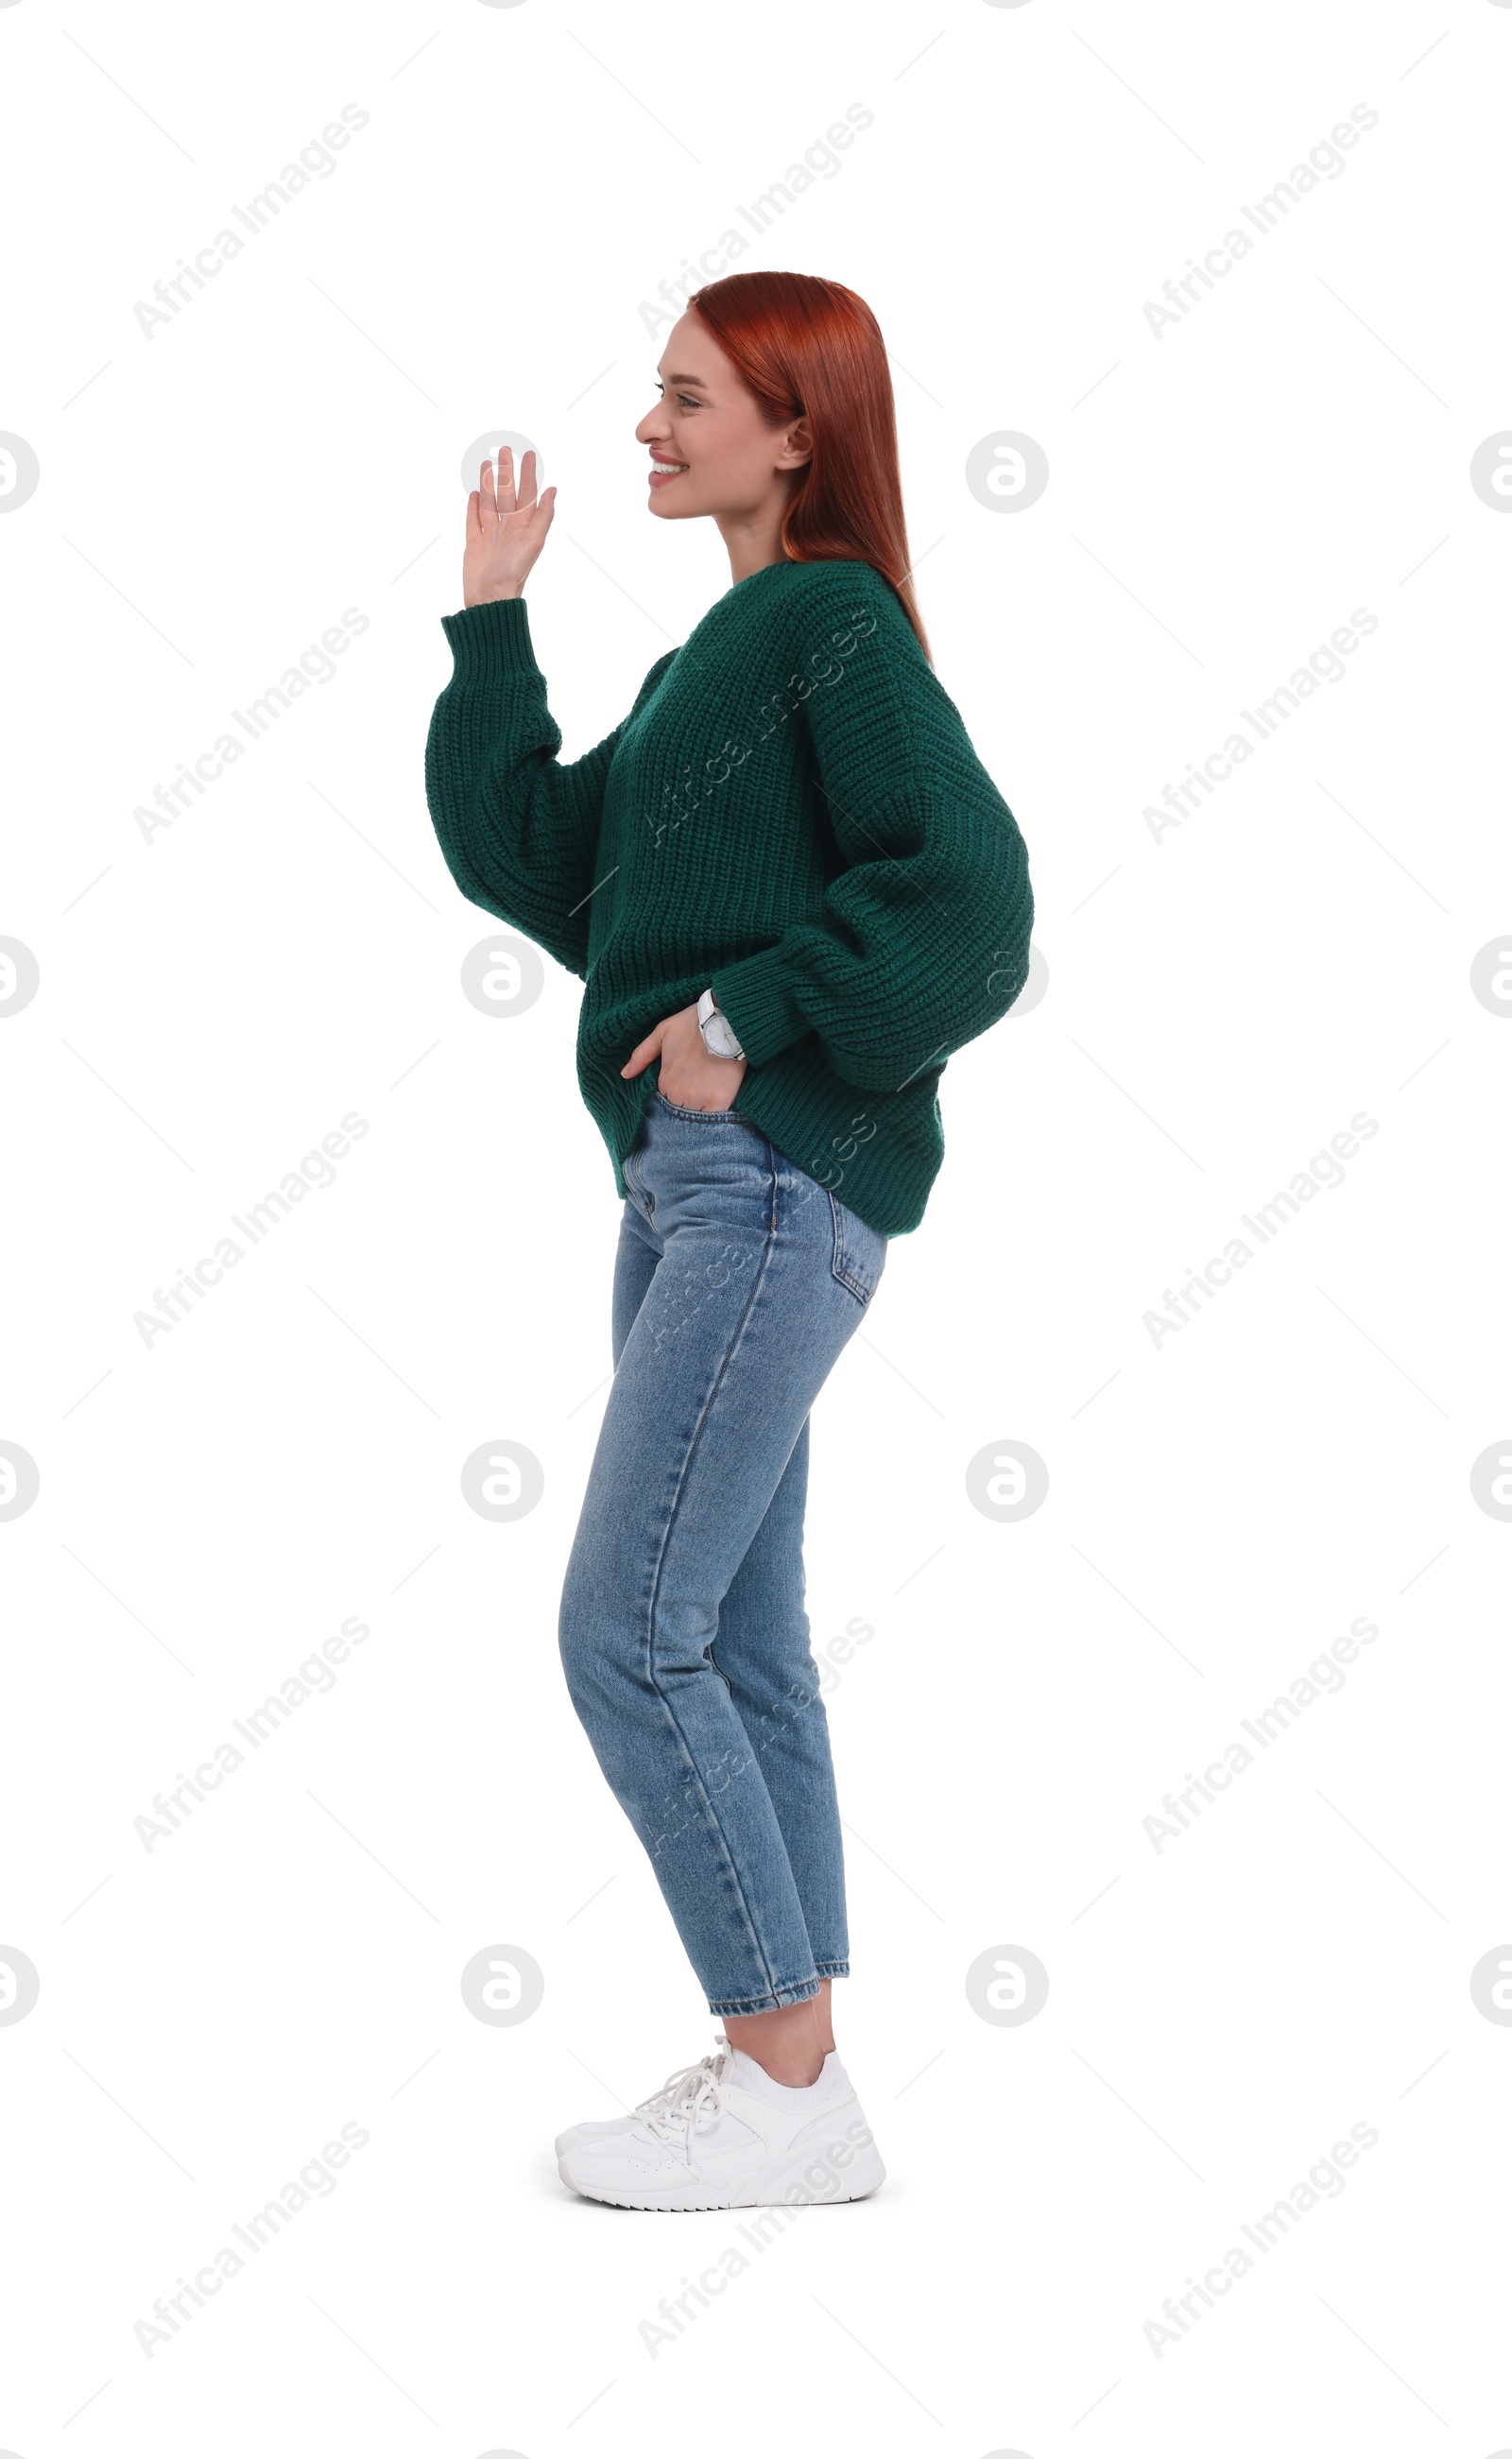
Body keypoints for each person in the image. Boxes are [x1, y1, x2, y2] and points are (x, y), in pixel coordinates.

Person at [424, 270, 1033, 2211]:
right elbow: (540, 856)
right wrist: (492, 621)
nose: (646, 429)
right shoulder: (726, 657)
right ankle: (799, 2075)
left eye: (686, 397)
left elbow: (975, 904)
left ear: (796, 428)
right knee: (737, 1633)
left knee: (624, 1626)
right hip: (703, 1194)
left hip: (764, 1179)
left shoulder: (828, 623)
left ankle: (778, 2079)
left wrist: (751, 1014)